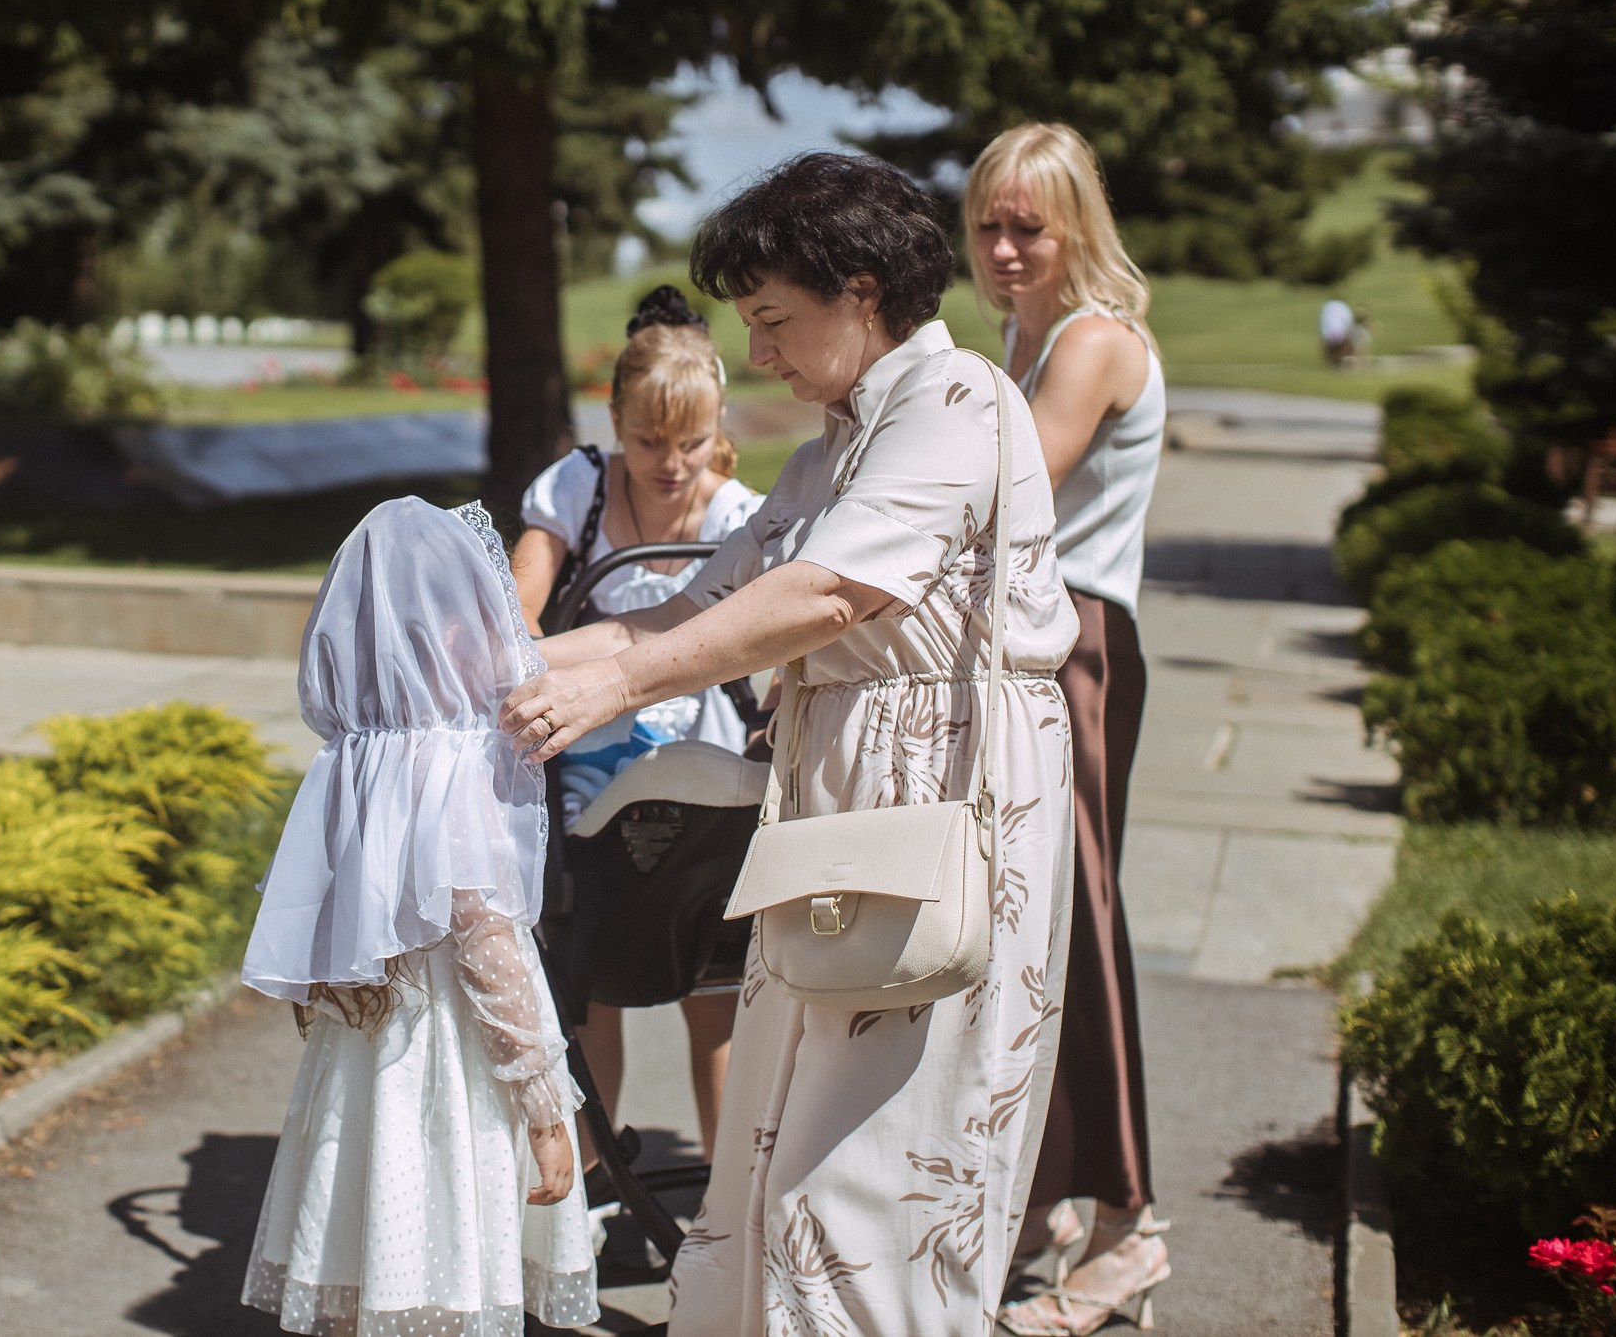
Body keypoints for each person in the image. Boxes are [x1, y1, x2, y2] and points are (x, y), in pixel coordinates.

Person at [499, 151, 1080, 1337]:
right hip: (838, 809)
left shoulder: (958, 399)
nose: (757, 356)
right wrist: (492, 667)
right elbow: (684, 608)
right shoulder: (827, 449)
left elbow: (824, 597)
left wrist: (615, 691)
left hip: (943, 799)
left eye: (771, 321)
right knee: (778, 1136)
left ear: (859, 289)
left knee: (877, 1171)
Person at [238, 497, 597, 1337]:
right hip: (453, 1061)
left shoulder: (358, 758)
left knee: (368, 1239)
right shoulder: (454, 764)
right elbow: (487, 949)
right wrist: (547, 1106)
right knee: (444, 1246)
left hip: (365, 1055)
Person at [966, 122, 1169, 1336]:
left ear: (1075, 226)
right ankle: (1044, 1199)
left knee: (1079, 923)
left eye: (1026, 229)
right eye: (986, 225)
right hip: (1035, 641)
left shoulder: (1089, 343)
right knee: (1024, 929)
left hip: (1080, 643)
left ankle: (1129, 1223)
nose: (1000, 248)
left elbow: (1007, 484)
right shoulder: (1025, 332)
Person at [509, 283, 761, 1161]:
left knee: (714, 983)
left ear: (716, 423)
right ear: (613, 418)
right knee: (587, 978)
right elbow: (520, 613)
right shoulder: (577, 490)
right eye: (648, 440)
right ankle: (588, 1175)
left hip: (699, 760)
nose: (671, 463)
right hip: (592, 766)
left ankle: (725, 1195)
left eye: (692, 442)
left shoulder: (736, 513)